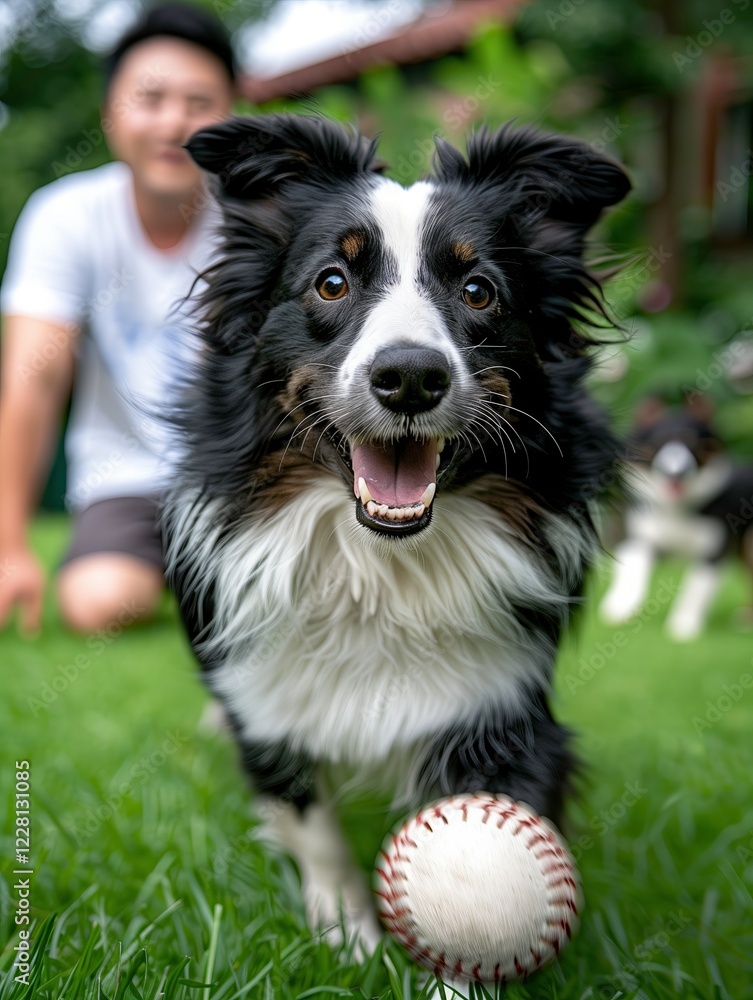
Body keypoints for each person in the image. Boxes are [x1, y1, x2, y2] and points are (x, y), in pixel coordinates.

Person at [0, 2, 236, 635]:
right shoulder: (65, 216)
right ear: (110, 115)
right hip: (122, 475)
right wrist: (8, 547)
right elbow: (33, 377)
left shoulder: (257, 225)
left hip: (231, 473)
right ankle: (168, 570)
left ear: (232, 116)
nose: (174, 123)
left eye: (199, 101)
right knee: (96, 603)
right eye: (150, 98)